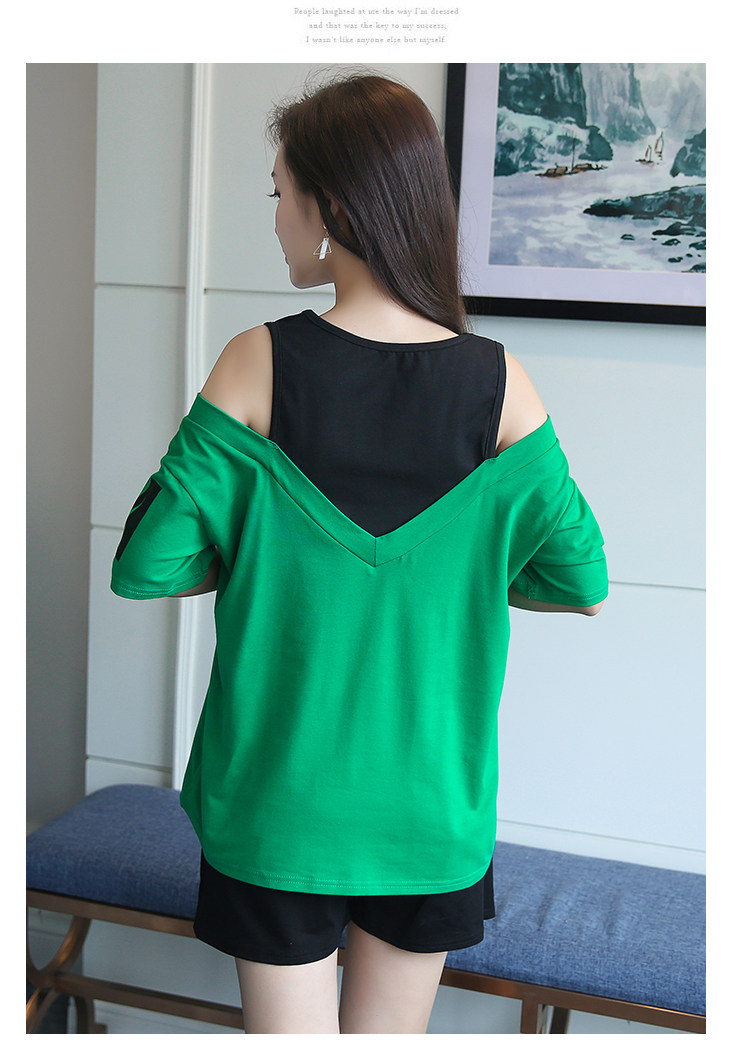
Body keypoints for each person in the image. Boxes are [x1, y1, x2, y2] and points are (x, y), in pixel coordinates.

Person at [110, 71, 608, 1034]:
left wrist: (264, 550)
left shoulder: (258, 358)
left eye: (279, 194)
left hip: (280, 807)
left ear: (331, 207)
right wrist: (461, 566)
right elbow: (581, 583)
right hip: (431, 810)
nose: (275, 217)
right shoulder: (498, 381)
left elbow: (148, 564)